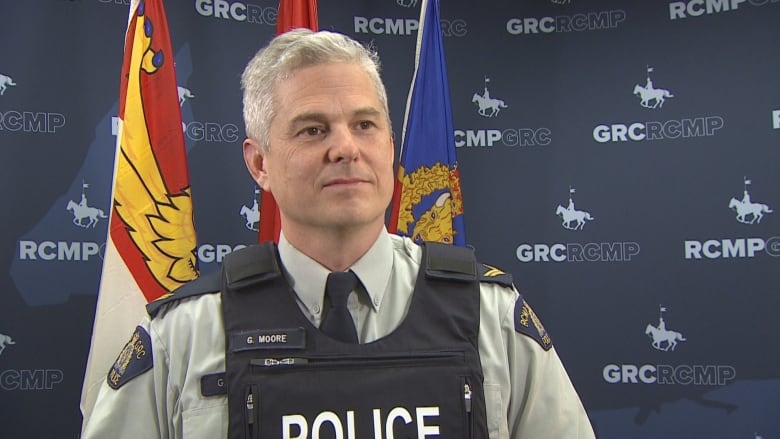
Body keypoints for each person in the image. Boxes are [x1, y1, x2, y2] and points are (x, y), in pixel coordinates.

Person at [82, 29, 596, 438]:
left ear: (390, 145)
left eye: (365, 125)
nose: (346, 148)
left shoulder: (492, 320)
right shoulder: (184, 336)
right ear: (259, 163)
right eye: (313, 129)